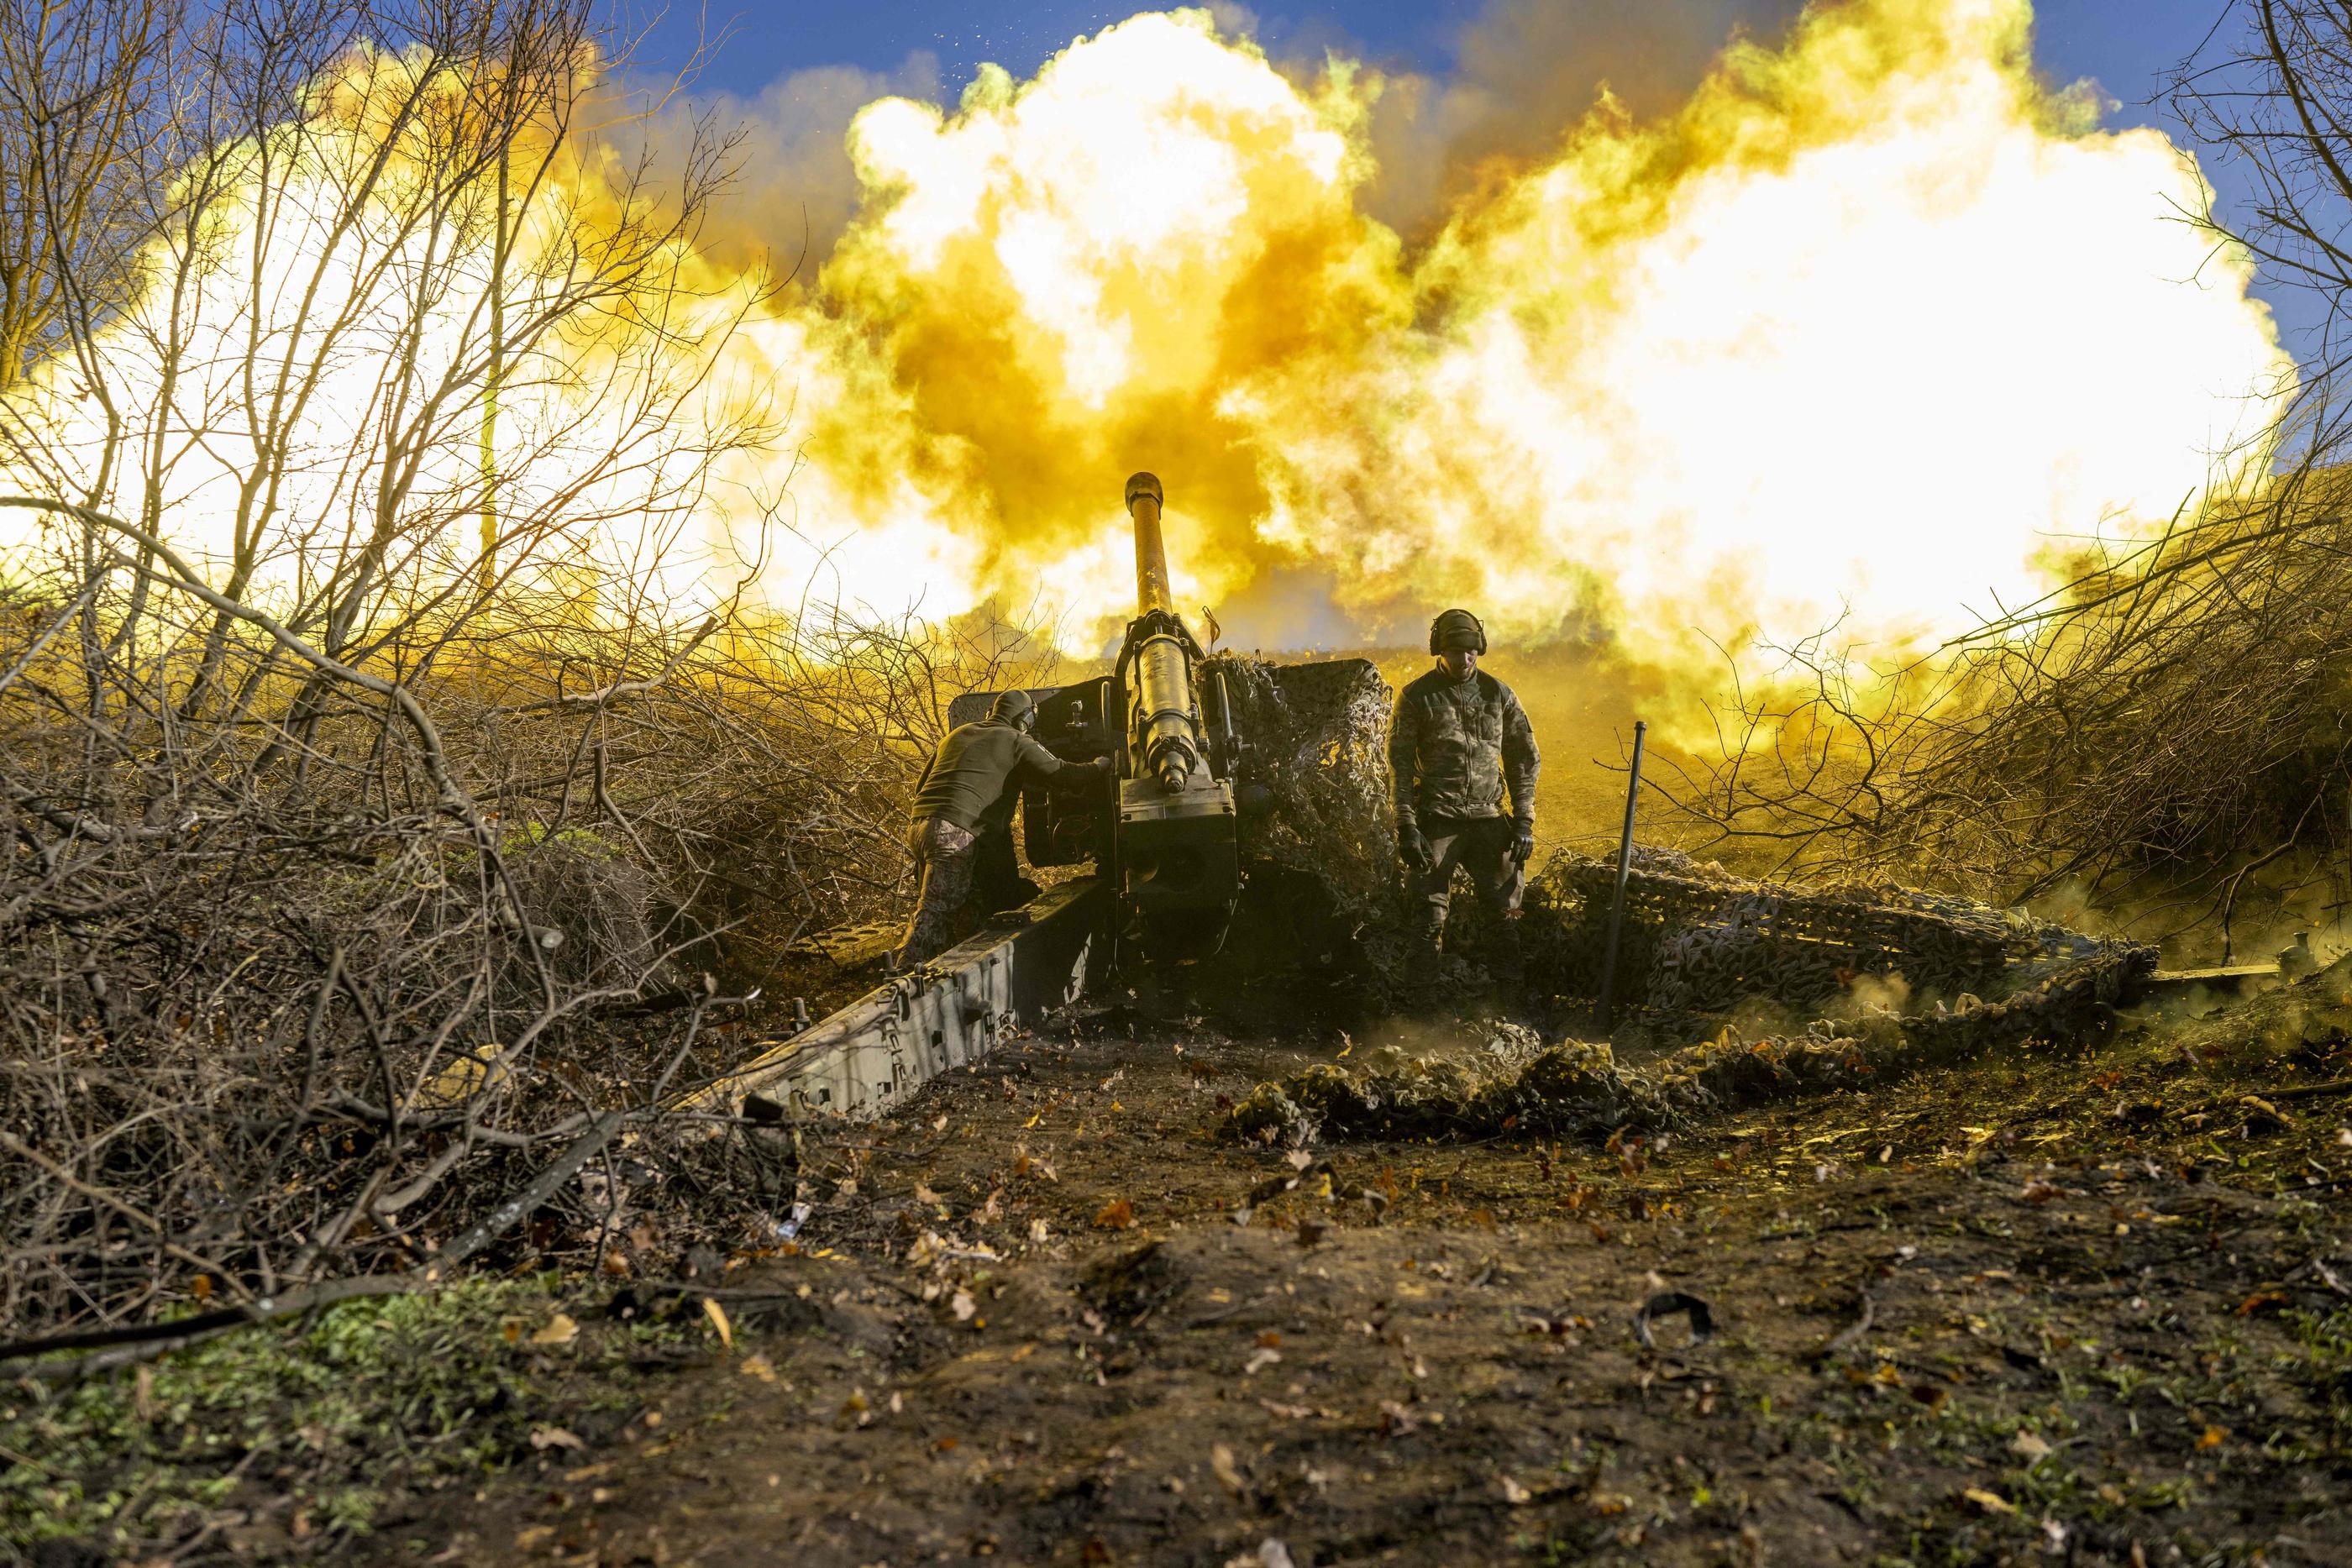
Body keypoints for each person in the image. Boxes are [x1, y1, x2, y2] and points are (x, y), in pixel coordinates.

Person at [890, 689, 1111, 973]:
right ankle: (903, 973)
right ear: (1025, 719)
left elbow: (922, 785)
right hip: (954, 833)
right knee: (936, 908)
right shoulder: (1016, 740)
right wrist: (1099, 765)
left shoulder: (956, 735)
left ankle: (940, 967)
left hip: (920, 826)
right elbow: (1062, 773)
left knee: (959, 905)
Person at [1388, 607, 1541, 973]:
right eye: (1455, 650)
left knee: (1508, 914)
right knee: (1428, 917)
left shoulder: (1499, 694)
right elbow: (1400, 768)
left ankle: (1511, 1001)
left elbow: (1523, 759)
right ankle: (1422, 1011)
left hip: (1489, 820)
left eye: (1471, 650)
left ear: (1481, 648)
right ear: (1440, 650)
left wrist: (1524, 821)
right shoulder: (1416, 697)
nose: (1464, 657)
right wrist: (1406, 826)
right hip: (1438, 821)